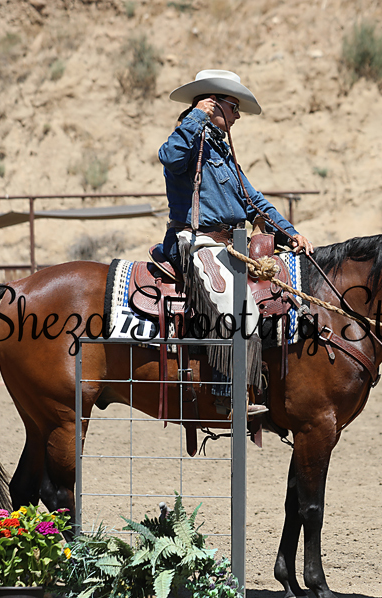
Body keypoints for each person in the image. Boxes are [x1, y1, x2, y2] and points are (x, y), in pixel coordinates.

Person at [158, 69, 314, 417]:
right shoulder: (187, 140)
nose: (238, 115)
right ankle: (227, 395)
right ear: (213, 104)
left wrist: (290, 233)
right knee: (236, 307)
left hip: (229, 244)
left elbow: (253, 199)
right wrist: (196, 116)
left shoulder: (220, 149)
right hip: (196, 242)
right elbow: (169, 157)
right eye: (234, 107)